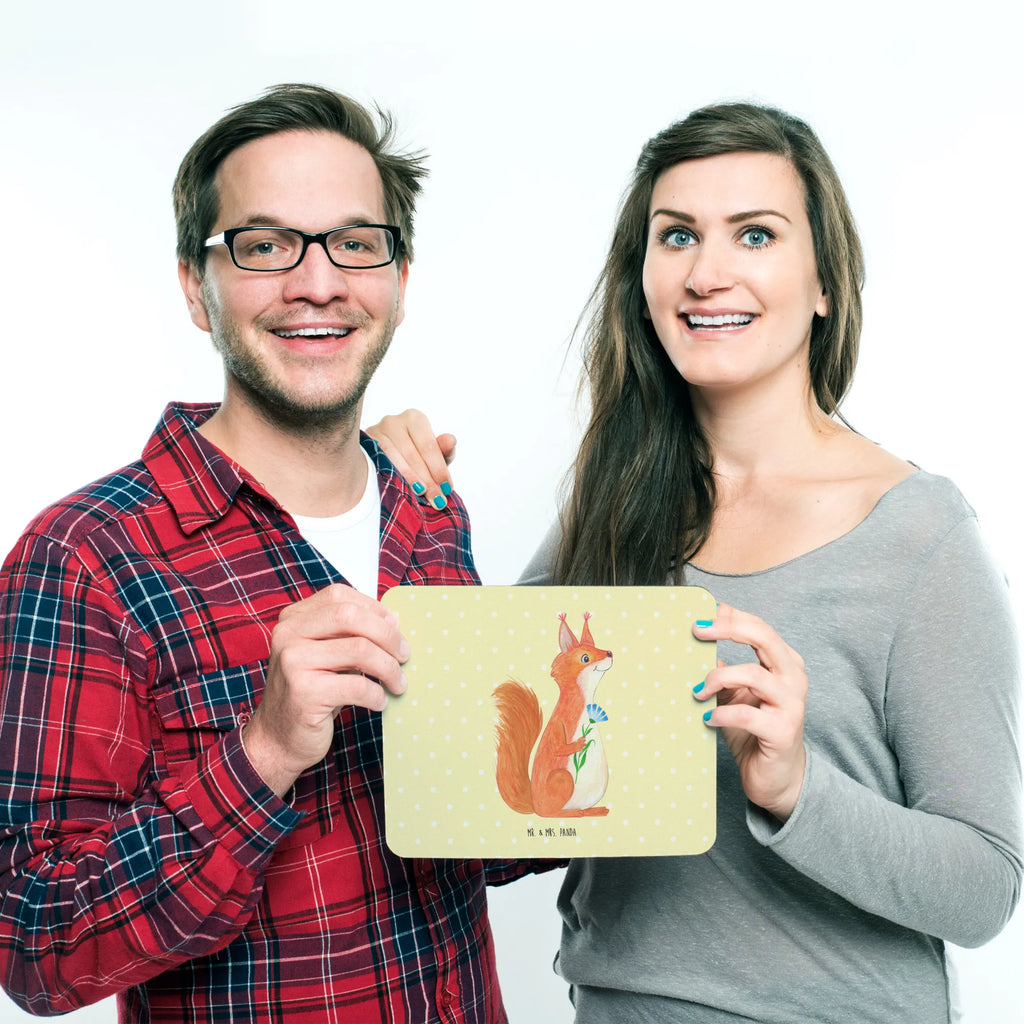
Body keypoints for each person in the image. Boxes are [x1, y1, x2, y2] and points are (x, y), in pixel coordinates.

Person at [367, 102, 1023, 1023]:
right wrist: (386, 493)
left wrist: (796, 789)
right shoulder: (612, 500)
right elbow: (467, 756)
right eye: (676, 235)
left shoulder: (920, 536)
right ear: (641, 278)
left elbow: (984, 889)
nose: (707, 273)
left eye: (755, 234)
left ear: (824, 282)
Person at [0, 83, 548, 1023]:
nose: (318, 283)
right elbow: (34, 948)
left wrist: (633, 735)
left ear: (400, 281)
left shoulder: (428, 509)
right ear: (196, 287)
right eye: (264, 246)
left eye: (356, 243)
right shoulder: (85, 559)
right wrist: (263, 754)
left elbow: (467, 844)